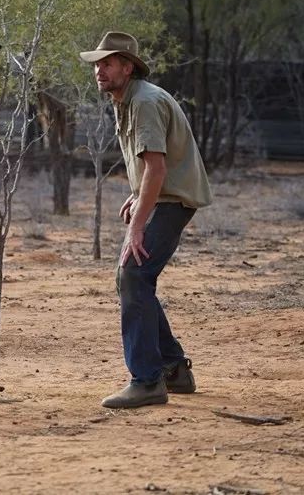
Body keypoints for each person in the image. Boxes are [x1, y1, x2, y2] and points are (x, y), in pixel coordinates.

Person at [80, 32, 212, 409]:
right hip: (163, 198)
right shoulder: (129, 99)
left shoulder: (145, 101)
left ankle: (147, 381)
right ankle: (173, 369)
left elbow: (156, 168)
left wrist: (138, 223)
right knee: (134, 278)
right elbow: (150, 168)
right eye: (97, 64)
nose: (99, 69)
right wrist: (138, 195)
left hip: (173, 201)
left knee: (133, 275)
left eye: (107, 62)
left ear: (128, 66)